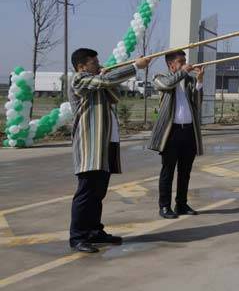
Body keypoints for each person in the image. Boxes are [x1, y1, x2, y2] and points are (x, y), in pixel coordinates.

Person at [68, 48, 150, 253]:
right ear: (81, 66)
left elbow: (114, 94)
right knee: (86, 192)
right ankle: (77, 236)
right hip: (90, 145)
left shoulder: (99, 82)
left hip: (105, 143)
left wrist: (107, 76)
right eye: (94, 63)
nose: (99, 65)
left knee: (98, 192)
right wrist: (134, 67)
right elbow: (104, 82)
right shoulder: (78, 79)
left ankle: (94, 231)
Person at [148, 50, 204, 219]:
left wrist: (199, 81)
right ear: (171, 64)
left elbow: (197, 102)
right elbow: (167, 85)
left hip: (188, 131)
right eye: (181, 61)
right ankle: (164, 206)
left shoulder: (188, 80)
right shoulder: (160, 77)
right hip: (171, 132)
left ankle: (181, 203)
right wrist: (183, 72)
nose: (185, 64)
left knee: (185, 171)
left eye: (185, 61)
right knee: (168, 171)